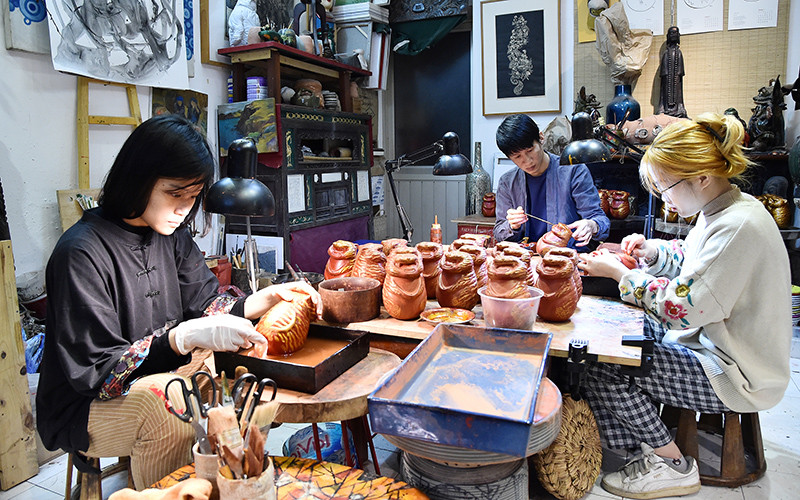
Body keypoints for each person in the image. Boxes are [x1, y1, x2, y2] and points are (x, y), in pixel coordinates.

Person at [36, 114, 322, 489]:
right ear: (138, 179)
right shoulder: (82, 253)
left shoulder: (171, 234)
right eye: (175, 194)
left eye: (193, 196)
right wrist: (180, 338)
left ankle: (221, 488)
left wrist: (265, 298)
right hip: (85, 403)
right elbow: (101, 373)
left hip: (161, 376)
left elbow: (206, 303)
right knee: (167, 408)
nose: (184, 209)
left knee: (240, 387)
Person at [577, 112, 791, 499]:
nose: (664, 198)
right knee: (615, 330)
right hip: (711, 346)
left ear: (701, 177)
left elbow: (683, 306)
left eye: (666, 187)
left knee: (602, 363)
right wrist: (652, 250)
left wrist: (620, 275)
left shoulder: (737, 226)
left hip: (736, 370)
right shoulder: (725, 209)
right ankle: (632, 447)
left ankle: (671, 464)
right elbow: (690, 259)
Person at [493, 113, 610, 249]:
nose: (527, 161)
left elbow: (600, 219)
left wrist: (592, 225)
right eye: (517, 156)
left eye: (530, 150)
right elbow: (499, 232)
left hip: (569, 256)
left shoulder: (573, 171)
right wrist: (512, 226)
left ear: (541, 138)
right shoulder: (507, 182)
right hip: (528, 259)